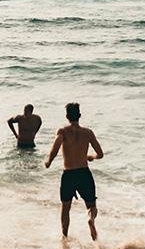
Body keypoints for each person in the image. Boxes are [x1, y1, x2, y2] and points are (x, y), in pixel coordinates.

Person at [44, 102, 103, 240]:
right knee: (91, 205)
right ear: (80, 116)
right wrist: (91, 157)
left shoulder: (63, 131)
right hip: (84, 173)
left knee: (65, 208)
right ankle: (91, 219)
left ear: (67, 116)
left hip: (69, 174)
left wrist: (49, 161)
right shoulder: (88, 133)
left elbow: (56, 147)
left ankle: (64, 236)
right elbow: (100, 153)